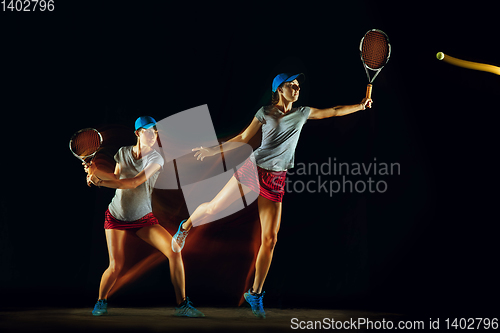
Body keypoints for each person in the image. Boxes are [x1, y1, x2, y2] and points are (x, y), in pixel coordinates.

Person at [171, 73, 372, 318]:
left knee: (270, 239)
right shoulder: (264, 112)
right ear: (279, 90)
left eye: (298, 85)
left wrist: (360, 105)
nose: (297, 88)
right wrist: (214, 150)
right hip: (252, 170)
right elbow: (244, 138)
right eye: (291, 85)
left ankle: (255, 293)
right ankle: (186, 226)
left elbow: (335, 110)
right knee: (213, 208)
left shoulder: (303, 113)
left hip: (276, 179)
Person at [85, 116, 204, 318]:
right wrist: (94, 173)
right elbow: (116, 177)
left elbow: (134, 182)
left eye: (155, 131)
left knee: (175, 251)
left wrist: (99, 182)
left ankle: (182, 305)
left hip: (142, 218)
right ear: (138, 133)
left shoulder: (156, 158)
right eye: (148, 130)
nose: (153, 134)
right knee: (116, 266)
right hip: (116, 216)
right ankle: (101, 301)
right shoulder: (122, 153)